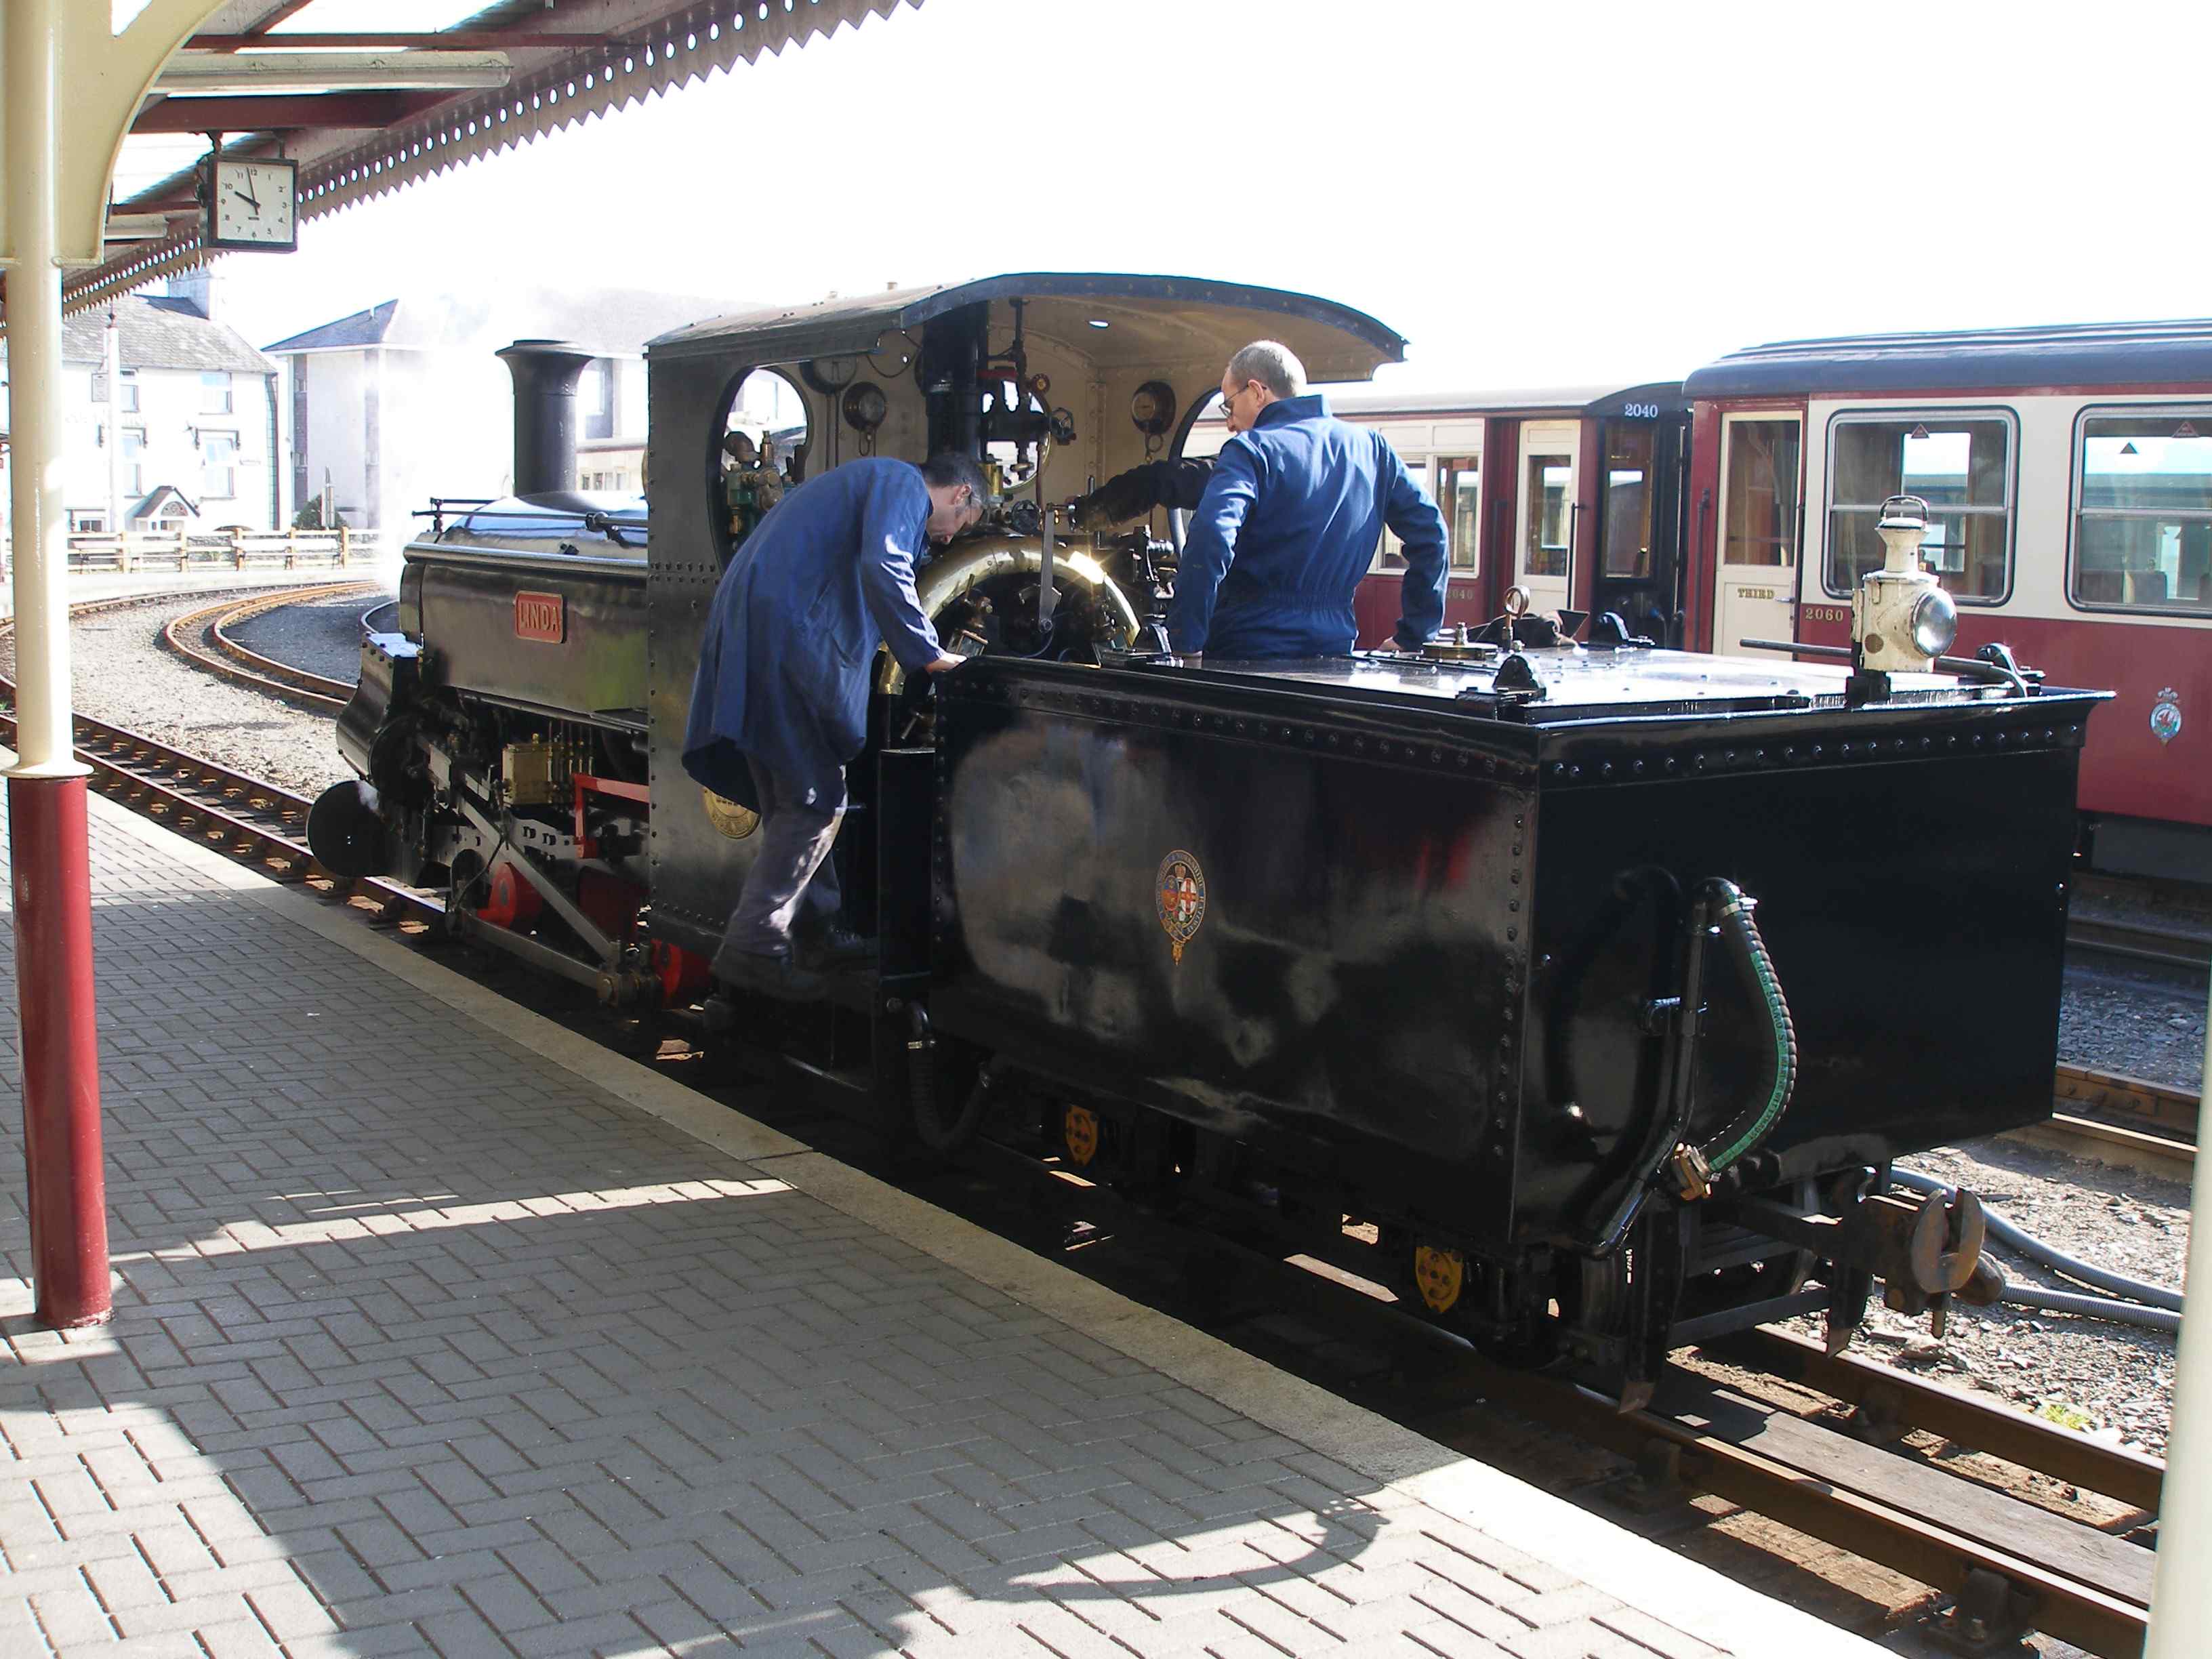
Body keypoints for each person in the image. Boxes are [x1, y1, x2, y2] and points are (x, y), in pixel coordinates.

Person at [682, 453, 983, 996]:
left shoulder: (861, 480)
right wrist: (931, 655)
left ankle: (817, 929)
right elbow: (884, 566)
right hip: (784, 638)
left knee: (789, 798)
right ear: (961, 495)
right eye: (962, 525)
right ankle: (754, 944)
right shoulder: (901, 483)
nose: (946, 540)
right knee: (818, 799)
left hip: (754, 632)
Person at [1163, 340, 1447, 662]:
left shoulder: (1251, 450)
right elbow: (1432, 533)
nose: (1230, 421)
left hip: (1246, 649)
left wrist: (1185, 640)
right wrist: (1415, 635)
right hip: (1334, 650)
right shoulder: (1373, 450)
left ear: (1257, 391)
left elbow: (1212, 535)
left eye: (1229, 405)